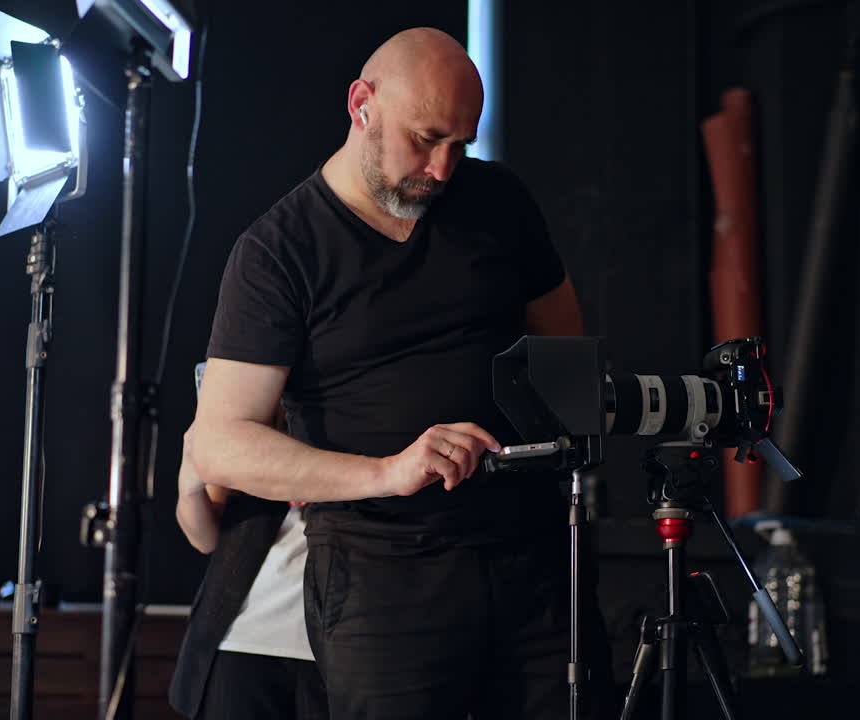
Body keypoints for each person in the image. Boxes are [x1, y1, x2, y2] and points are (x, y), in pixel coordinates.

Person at [184, 26, 613, 719]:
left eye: (460, 143)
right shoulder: (279, 251)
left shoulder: (498, 200)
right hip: (385, 574)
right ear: (362, 105)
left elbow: (566, 345)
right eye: (425, 138)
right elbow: (221, 445)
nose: (443, 168)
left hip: (535, 557)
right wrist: (388, 470)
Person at [170, 364, 327, 720]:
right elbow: (205, 539)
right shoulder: (253, 407)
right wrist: (189, 483)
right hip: (243, 638)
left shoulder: (358, 400)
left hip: (339, 643)